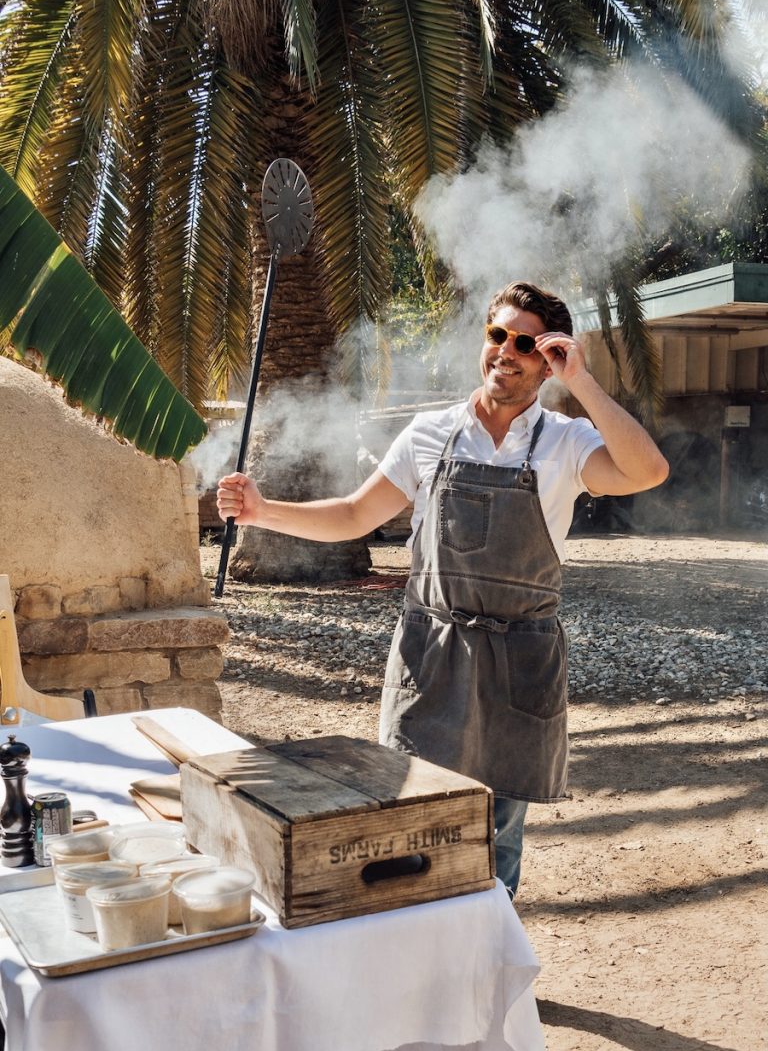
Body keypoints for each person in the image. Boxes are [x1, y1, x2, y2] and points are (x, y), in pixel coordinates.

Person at [217, 281, 669, 897]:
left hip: (519, 663)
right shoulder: (430, 433)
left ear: (548, 360)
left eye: (526, 343)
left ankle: (486, 982)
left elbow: (648, 470)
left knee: (495, 841)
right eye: (497, 335)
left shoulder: (566, 442)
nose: (505, 351)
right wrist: (262, 511)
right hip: (430, 657)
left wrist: (583, 383)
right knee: (410, 829)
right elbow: (354, 515)